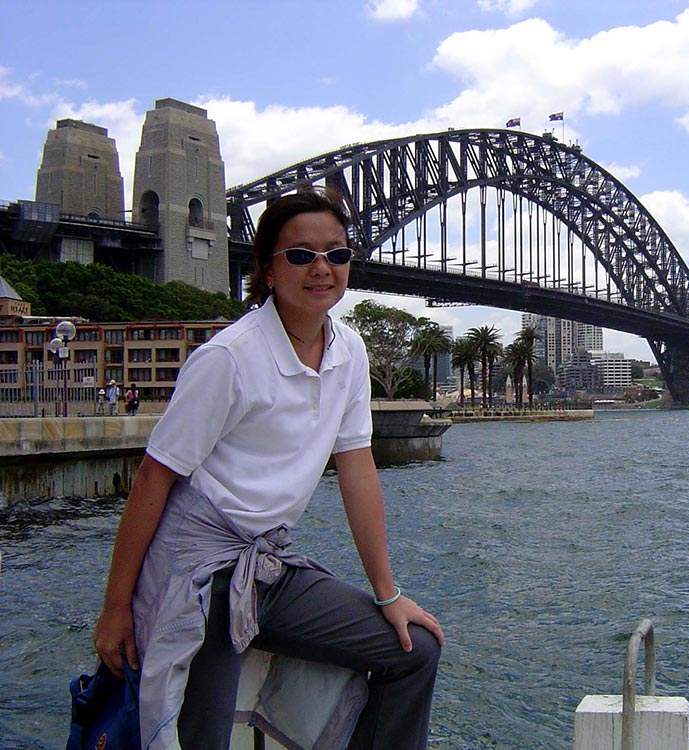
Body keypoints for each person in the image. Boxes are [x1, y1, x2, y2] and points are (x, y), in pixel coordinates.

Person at [91, 188, 444, 750]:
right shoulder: (230, 358)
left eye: (337, 254)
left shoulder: (349, 352)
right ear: (267, 269)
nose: (322, 268)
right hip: (197, 574)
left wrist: (387, 592)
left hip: (265, 565)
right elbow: (154, 480)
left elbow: (357, 472)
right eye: (301, 255)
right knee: (198, 735)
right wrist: (115, 612)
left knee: (412, 650)